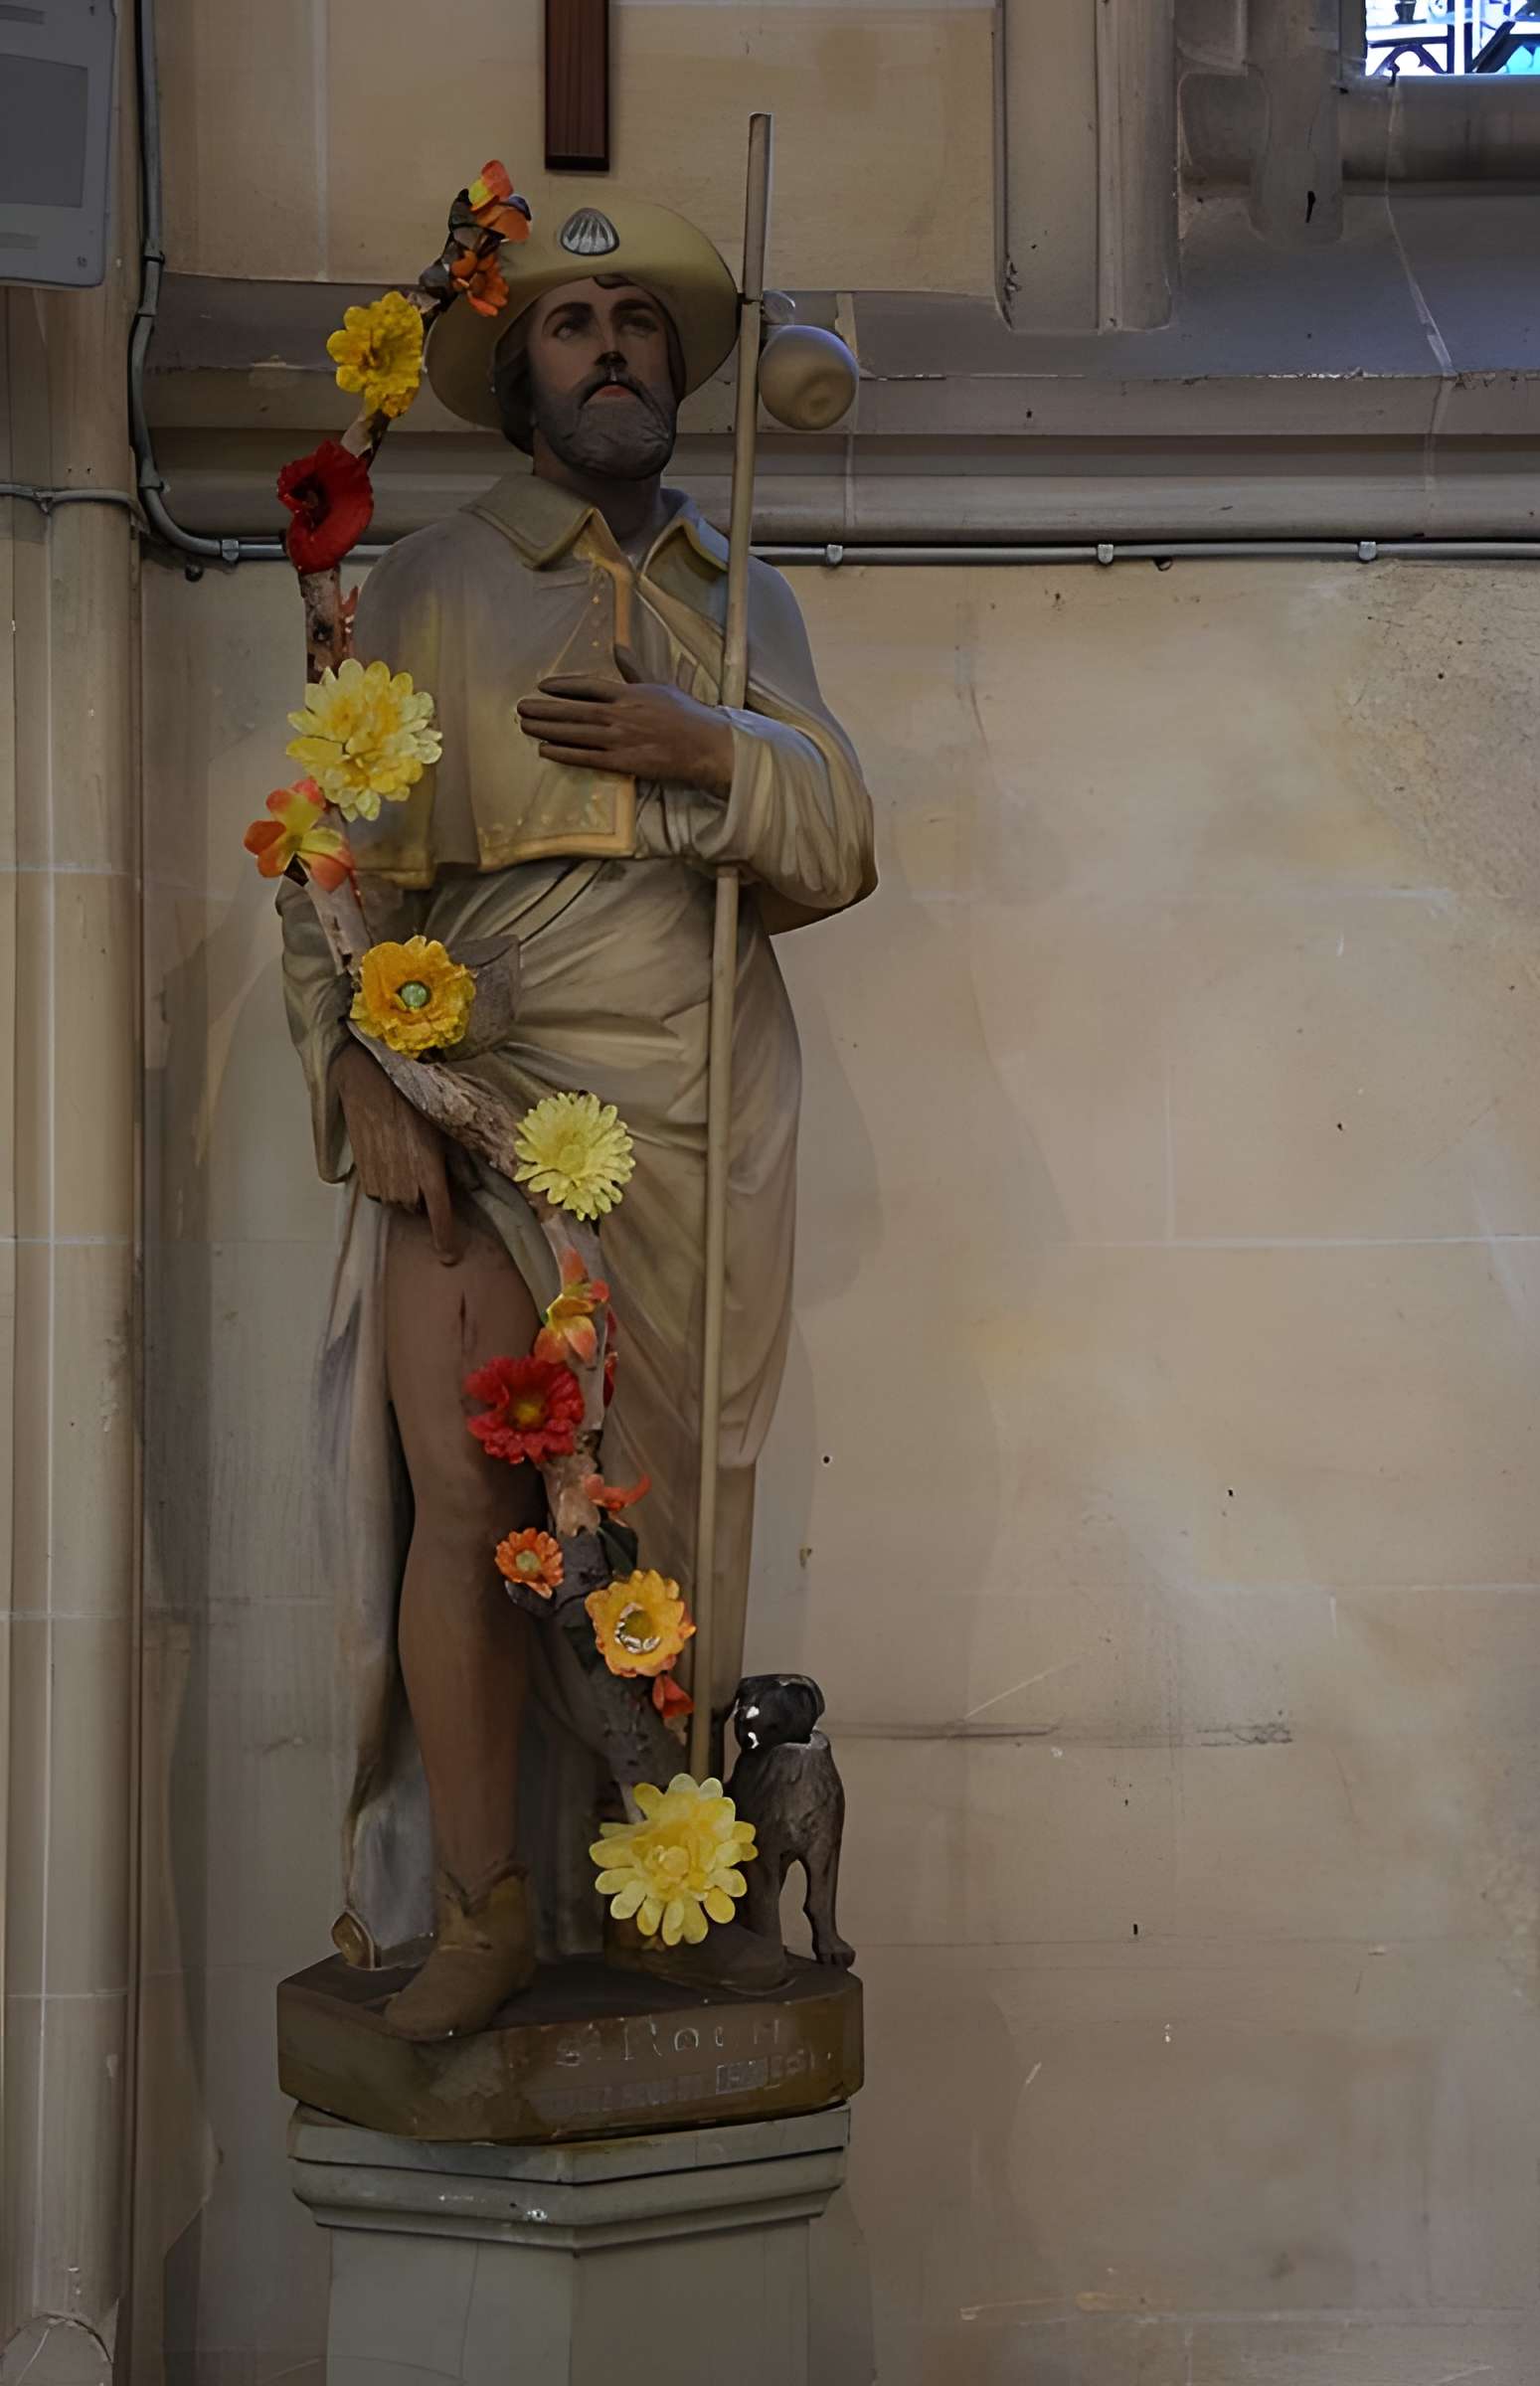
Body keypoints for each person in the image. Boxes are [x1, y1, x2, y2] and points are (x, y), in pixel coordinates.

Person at [279, 193, 875, 2039]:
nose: (608, 342)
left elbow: (843, 841)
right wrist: (365, 1070)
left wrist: (719, 749)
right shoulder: (435, 586)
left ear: (681, 369)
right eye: (568, 319)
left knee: (681, 1513)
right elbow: (320, 862)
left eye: (636, 318)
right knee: (462, 1502)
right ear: (517, 376)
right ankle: (479, 1909)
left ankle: (674, 1895)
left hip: (701, 1095)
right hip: (482, 1074)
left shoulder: (745, 582)